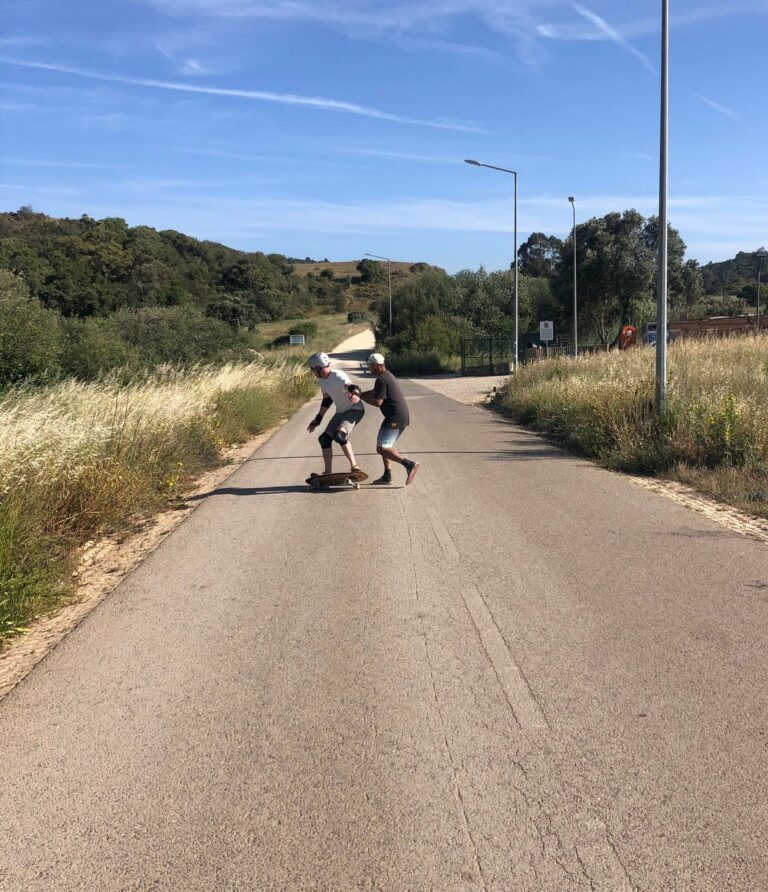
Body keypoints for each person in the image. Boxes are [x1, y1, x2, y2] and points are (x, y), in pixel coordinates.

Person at [360, 352, 420, 486]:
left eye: (370, 366)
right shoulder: (387, 376)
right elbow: (376, 392)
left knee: (381, 448)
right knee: (386, 446)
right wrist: (361, 394)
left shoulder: (381, 379)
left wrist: (361, 398)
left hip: (395, 417)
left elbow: (378, 402)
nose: (369, 368)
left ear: (376, 365)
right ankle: (387, 476)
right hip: (400, 416)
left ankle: (409, 465)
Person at [306, 352, 365, 475]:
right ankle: (328, 474)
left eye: (312, 369)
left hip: (354, 410)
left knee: (339, 435)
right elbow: (327, 400)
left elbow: (351, 386)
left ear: (318, 367)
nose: (312, 372)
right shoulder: (322, 381)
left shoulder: (337, 375)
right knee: (324, 439)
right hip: (341, 411)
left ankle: (355, 466)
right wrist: (318, 419)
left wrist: (356, 394)